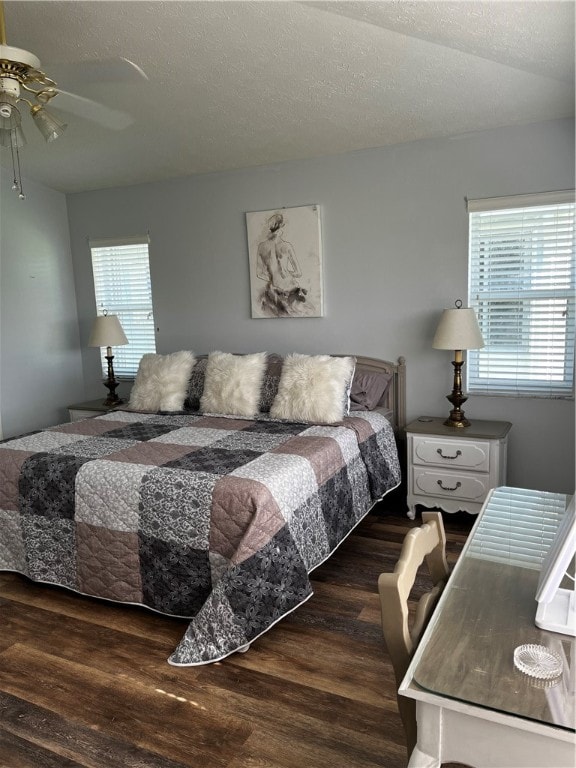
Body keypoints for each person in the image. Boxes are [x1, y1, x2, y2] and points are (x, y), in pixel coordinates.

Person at [255, 213, 310, 316]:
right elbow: (298, 273)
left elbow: (259, 273)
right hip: (290, 290)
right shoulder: (287, 246)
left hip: (274, 291)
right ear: (281, 228)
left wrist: (273, 276)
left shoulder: (261, 247)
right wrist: (285, 273)